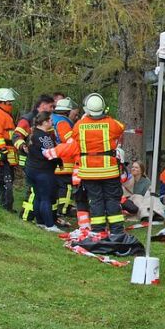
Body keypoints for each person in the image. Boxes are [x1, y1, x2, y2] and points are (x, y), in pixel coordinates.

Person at [50, 92, 126, 238]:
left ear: (87, 109)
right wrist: (107, 116)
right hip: (109, 171)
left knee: (95, 200)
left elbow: (72, 140)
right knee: (111, 199)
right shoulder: (110, 123)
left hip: (89, 172)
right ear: (103, 108)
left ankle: (98, 230)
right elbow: (120, 127)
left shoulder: (80, 125)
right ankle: (116, 230)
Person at [15, 94, 56, 221]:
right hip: (29, 160)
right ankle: (26, 215)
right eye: (51, 106)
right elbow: (16, 136)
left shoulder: (46, 120)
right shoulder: (27, 120)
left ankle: (37, 215)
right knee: (33, 190)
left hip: (42, 162)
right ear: (43, 106)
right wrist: (23, 146)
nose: (53, 109)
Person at [24, 112, 61, 231]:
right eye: (50, 120)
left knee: (38, 196)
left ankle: (39, 221)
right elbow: (51, 153)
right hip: (43, 171)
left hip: (31, 169)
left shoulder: (33, 134)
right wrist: (59, 161)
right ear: (44, 122)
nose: (52, 122)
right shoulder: (45, 137)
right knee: (45, 198)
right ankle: (50, 224)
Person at [50, 97, 77, 218]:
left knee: (57, 185)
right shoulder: (63, 122)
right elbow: (69, 140)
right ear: (67, 111)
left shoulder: (51, 119)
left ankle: (58, 209)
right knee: (66, 186)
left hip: (55, 156)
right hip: (65, 159)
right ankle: (64, 209)